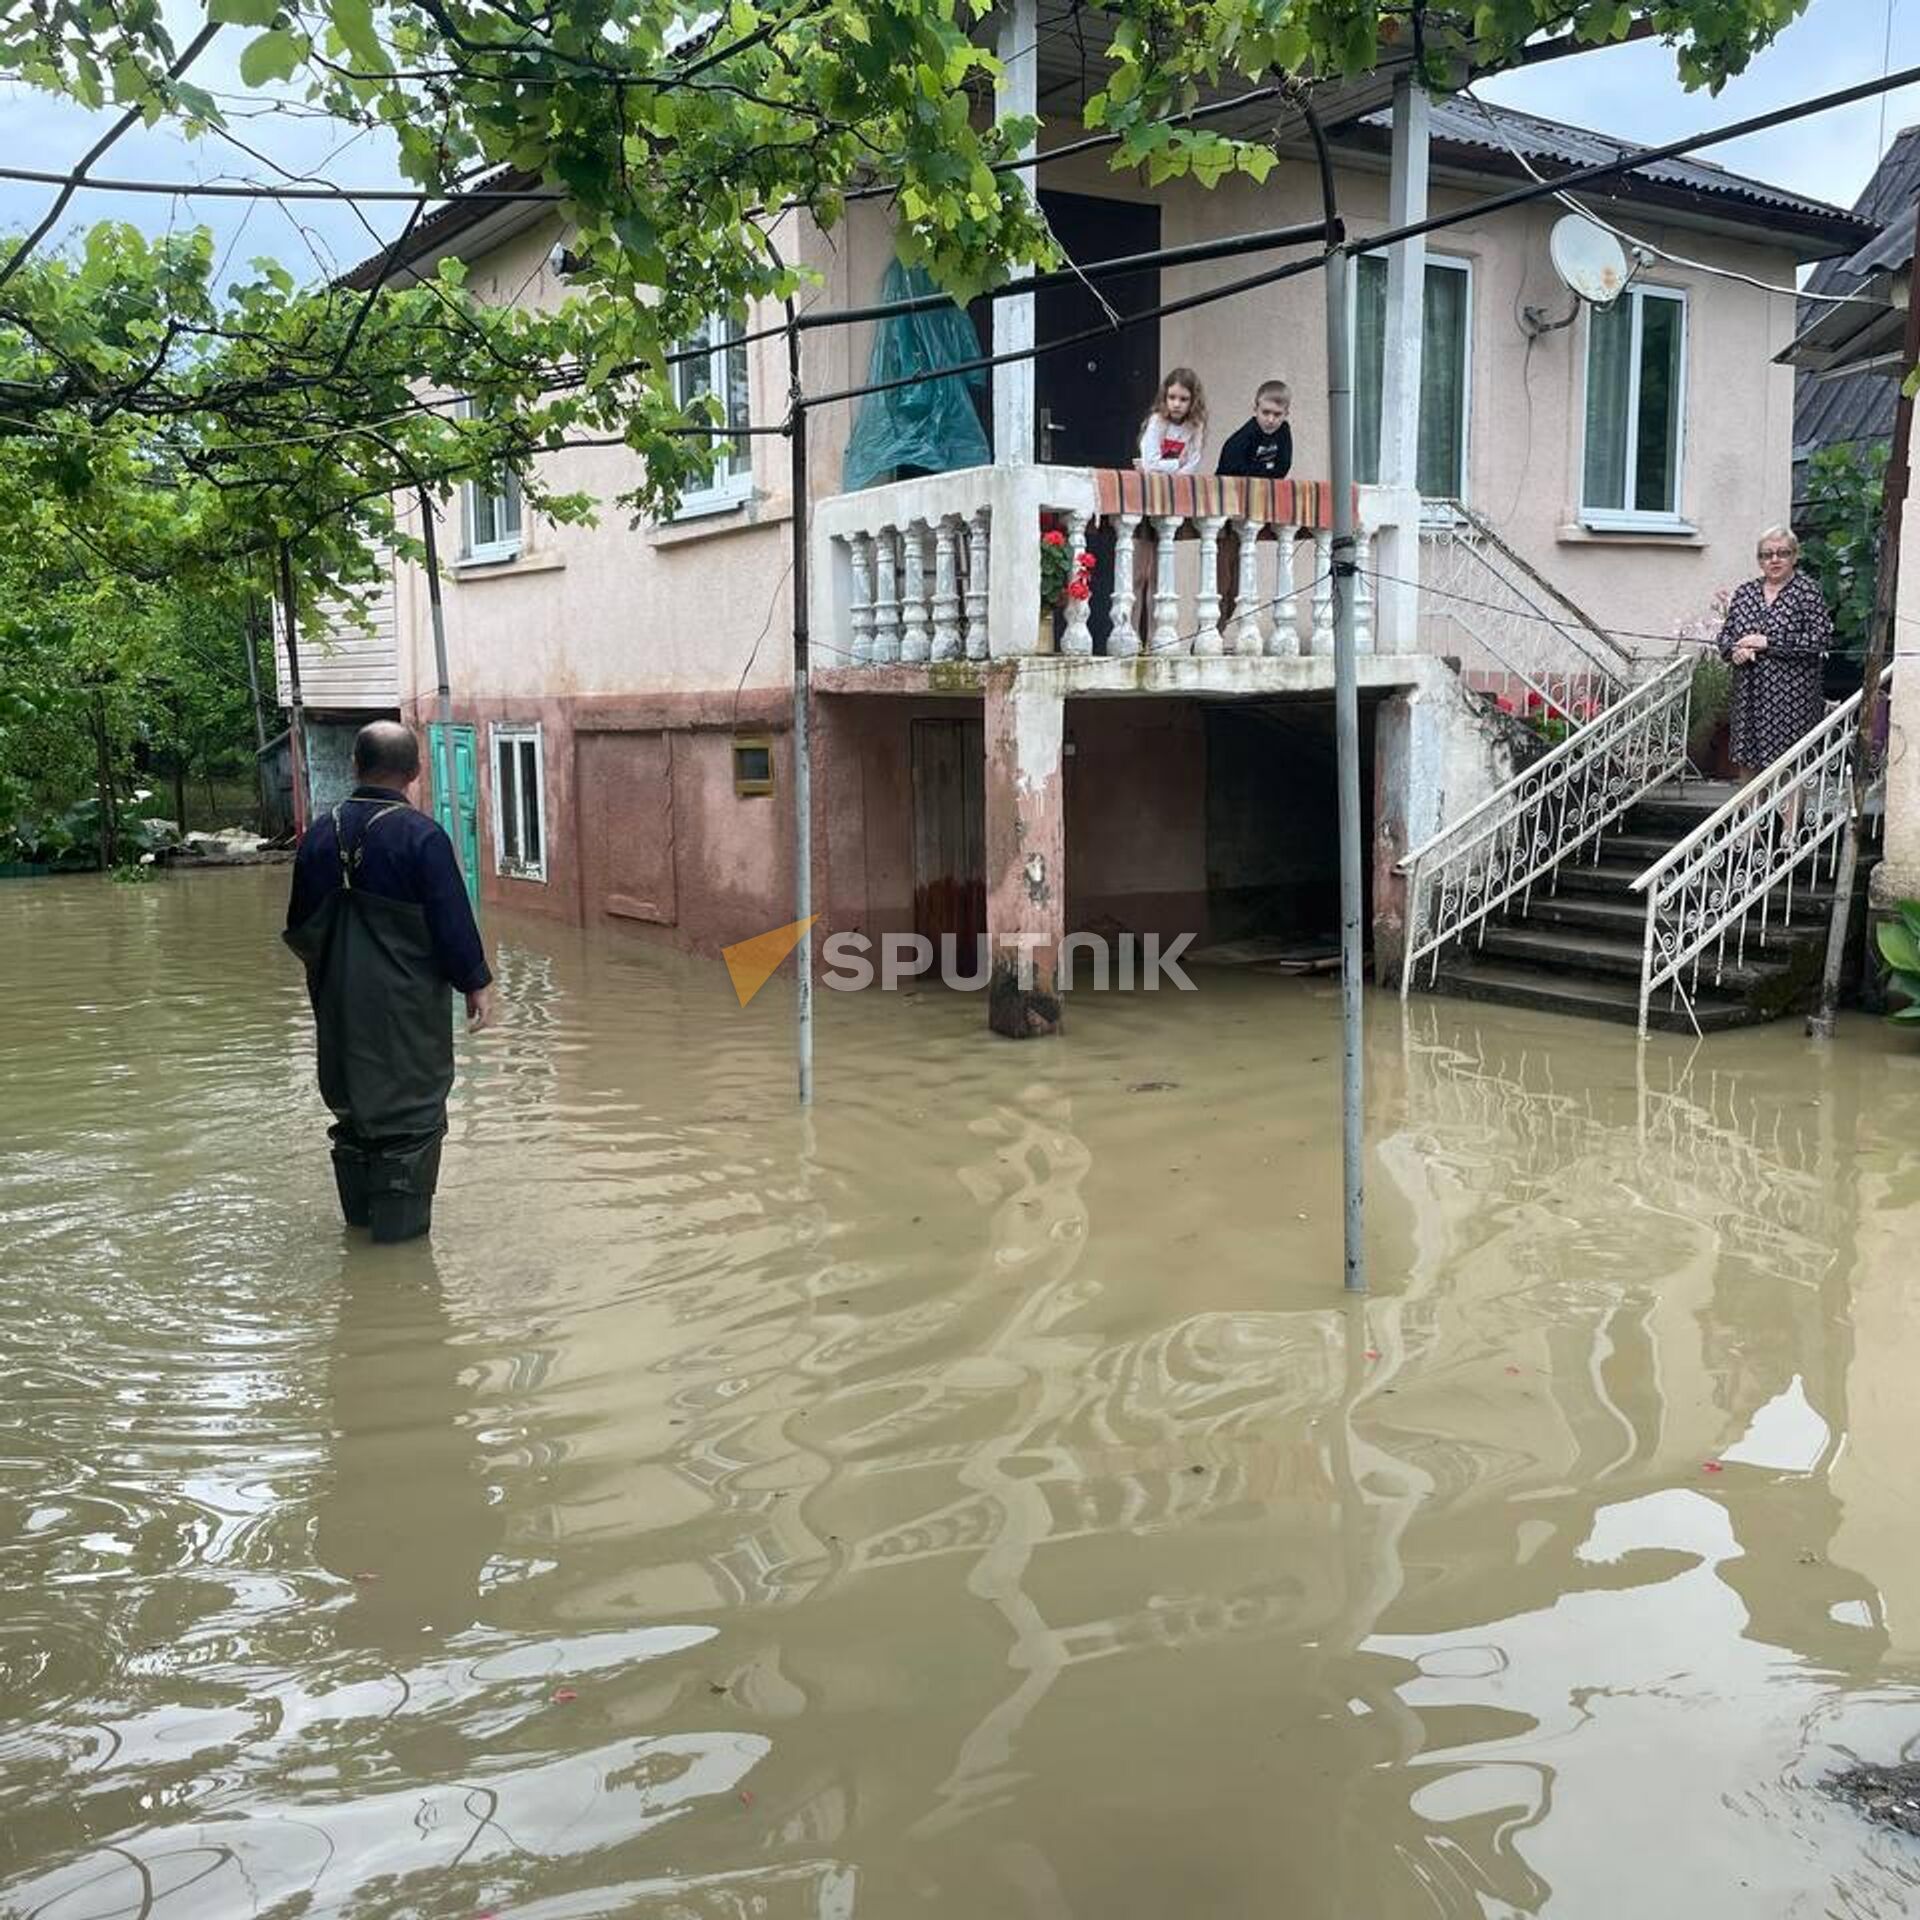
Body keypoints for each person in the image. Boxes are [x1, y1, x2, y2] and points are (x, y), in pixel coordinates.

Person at [285, 720, 494, 1243]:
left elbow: (299, 930)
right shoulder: (421, 836)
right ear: (416, 772)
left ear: (355, 766)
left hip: (338, 1007)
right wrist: (476, 984)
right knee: (411, 1118)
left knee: (353, 1111)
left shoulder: (317, 838)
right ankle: (399, 1258)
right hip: (407, 1011)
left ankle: (360, 1232)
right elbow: (452, 922)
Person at [1715, 526, 1834, 779]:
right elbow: (1725, 636)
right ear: (1759, 560)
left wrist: (1768, 642)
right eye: (1767, 555)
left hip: (1791, 700)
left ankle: (1790, 821)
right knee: (1747, 763)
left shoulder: (1807, 592)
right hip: (1749, 697)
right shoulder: (1746, 593)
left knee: (1789, 767)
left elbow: (1820, 638)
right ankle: (1752, 820)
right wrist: (1734, 650)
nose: (1775, 560)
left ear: (1795, 556)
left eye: (1782, 553)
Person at [1131, 368, 1208, 637]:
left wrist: (1171, 468)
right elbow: (1150, 462)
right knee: (1138, 572)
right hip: (1146, 497)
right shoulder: (1157, 422)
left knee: (1158, 577)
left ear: (1192, 400)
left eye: (1183, 399)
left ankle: (1154, 638)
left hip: (1170, 500)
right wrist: (1176, 463)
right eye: (1172, 397)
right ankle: (1129, 632)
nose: (1176, 404)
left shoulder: (1194, 427)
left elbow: (1193, 464)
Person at [1214, 378, 1293, 623]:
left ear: (1286, 414)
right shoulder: (1243, 438)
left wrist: (1263, 475)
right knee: (1224, 581)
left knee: (1241, 582)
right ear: (1255, 409)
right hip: (1228, 513)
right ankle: (1210, 633)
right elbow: (1233, 471)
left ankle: (1219, 629)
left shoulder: (1283, 434)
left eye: (1277, 414)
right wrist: (1263, 473)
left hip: (1253, 511)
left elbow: (1282, 467)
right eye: (1265, 412)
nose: (1271, 419)